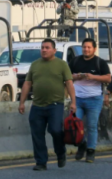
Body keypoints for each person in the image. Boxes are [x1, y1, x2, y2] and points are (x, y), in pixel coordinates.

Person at [18, 39, 76, 171]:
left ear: (54, 51)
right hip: (37, 105)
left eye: (47, 47)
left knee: (56, 130)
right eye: (42, 47)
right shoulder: (34, 65)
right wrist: (21, 102)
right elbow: (27, 84)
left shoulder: (62, 64)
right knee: (37, 134)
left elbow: (69, 83)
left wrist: (73, 102)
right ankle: (41, 162)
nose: (44, 50)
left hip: (55, 105)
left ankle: (60, 153)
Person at [69, 38, 111, 163]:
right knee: (74, 124)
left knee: (91, 126)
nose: (86, 49)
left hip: (94, 99)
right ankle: (82, 145)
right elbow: (66, 76)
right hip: (77, 98)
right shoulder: (75, 61)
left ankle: (91, 151)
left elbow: (108, 78)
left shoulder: (100, 62)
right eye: (84, 47)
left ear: (94, 49)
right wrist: (76, 76)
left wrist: (93, 77)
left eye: (89, 47)